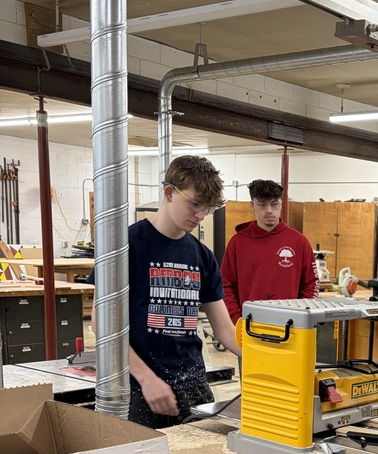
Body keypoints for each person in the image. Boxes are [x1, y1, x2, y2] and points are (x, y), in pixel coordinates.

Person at [93, 155, 240, 428]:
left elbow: (225, 330)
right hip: (140, 388)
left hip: (193, 384)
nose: (200, 215)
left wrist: (268, 360)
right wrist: (147, 379)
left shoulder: (202, 256)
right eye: (195, 204)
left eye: (207, 208)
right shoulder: (125, 246)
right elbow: (102, 326)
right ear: (169, 192)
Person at [221, 178, 318, 322]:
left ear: (281, 204)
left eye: (274, 204)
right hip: (249, 325)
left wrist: (302, 318)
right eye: (262, 205)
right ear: (252, 205)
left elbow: (311, 284)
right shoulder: (238, 242)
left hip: (291, 326)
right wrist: (237, 320)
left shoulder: (299, 242)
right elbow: (226, 285)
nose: (269, 211)